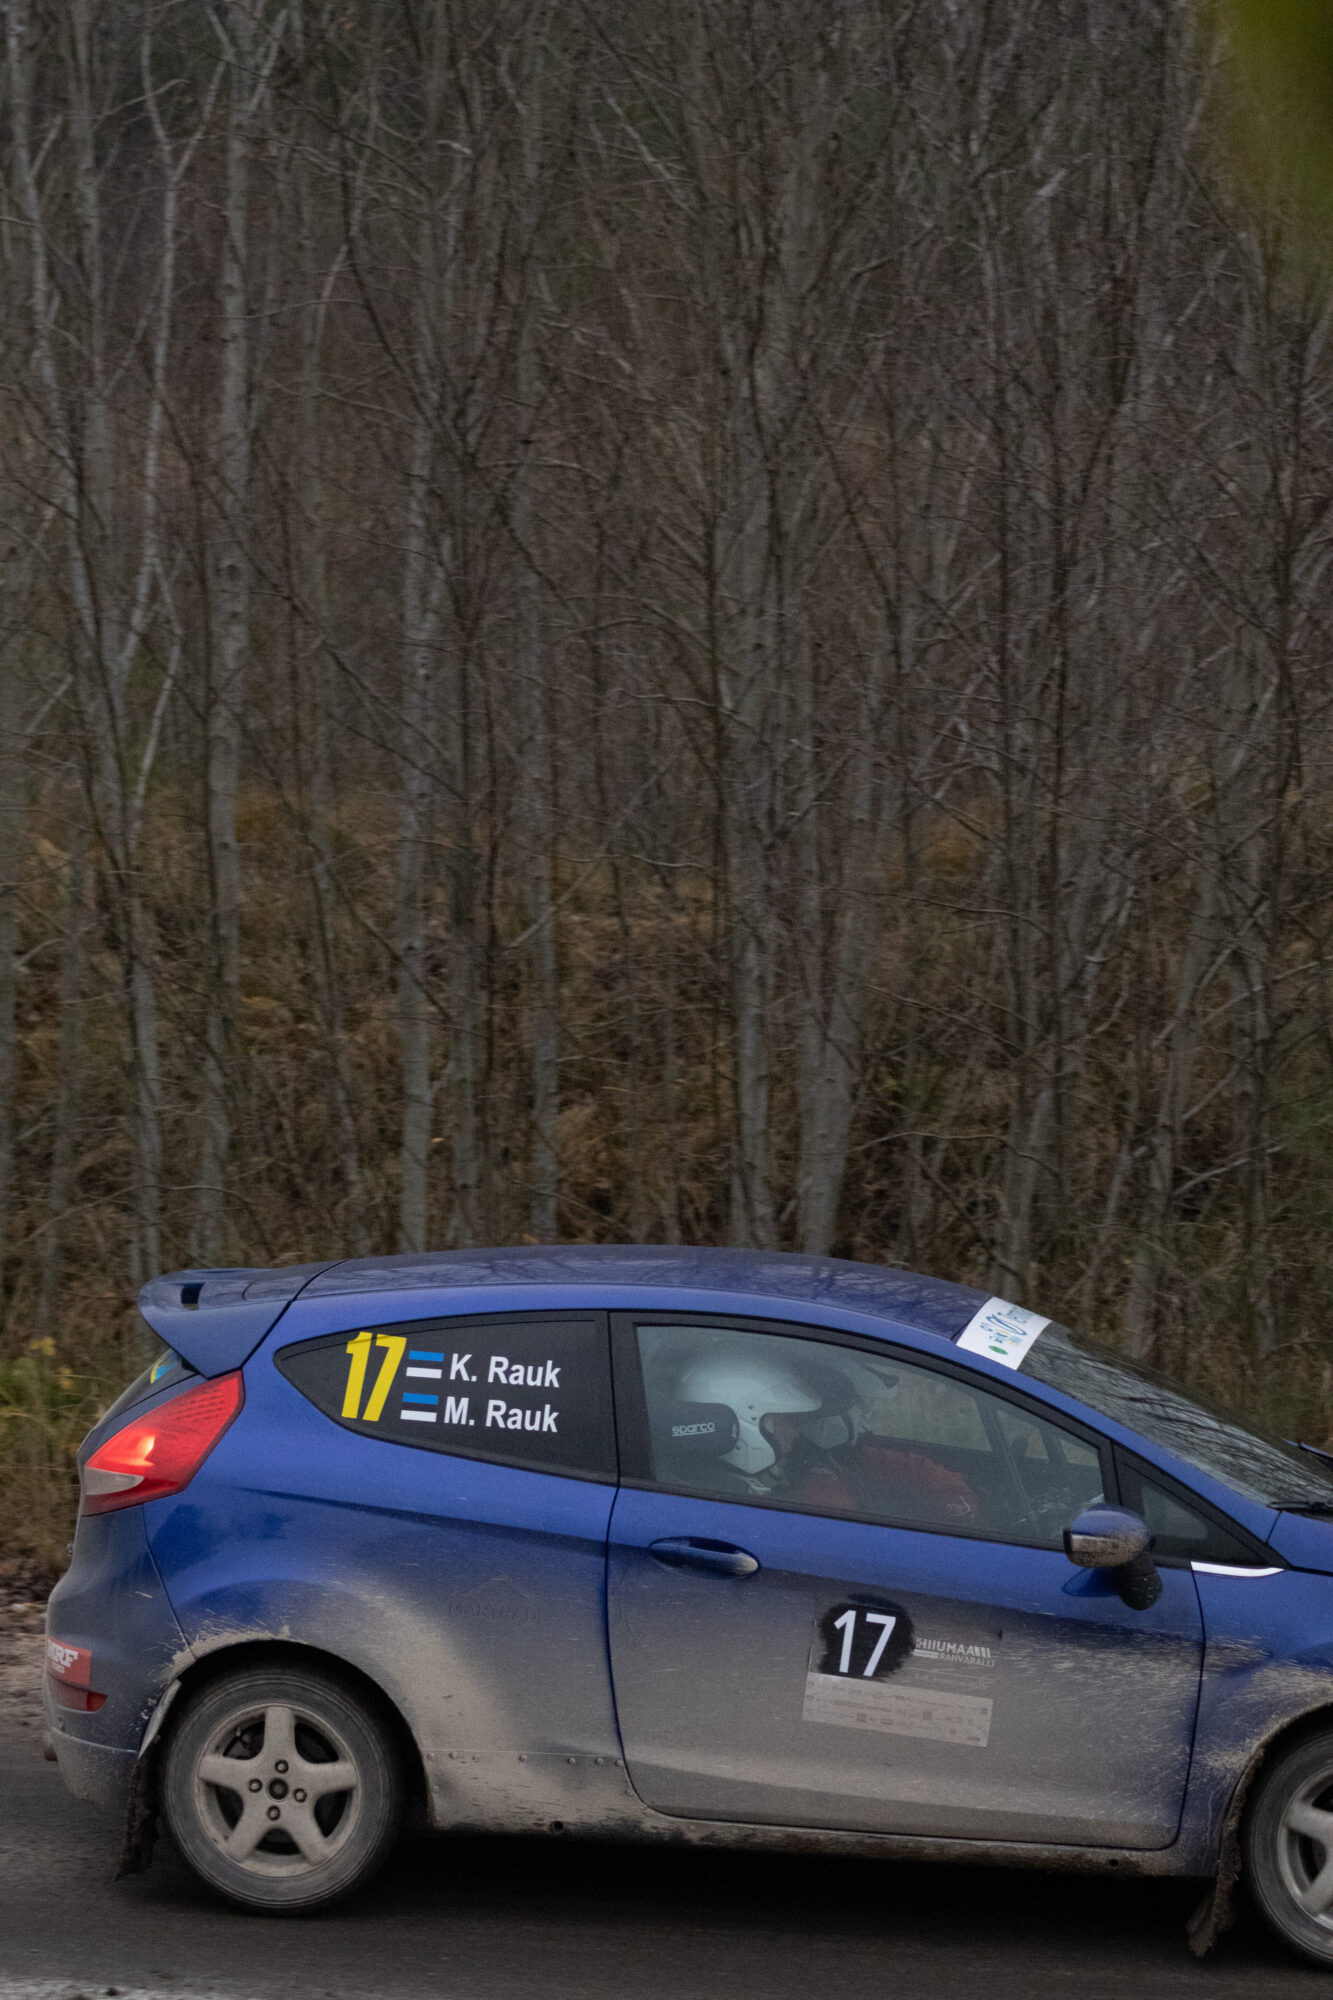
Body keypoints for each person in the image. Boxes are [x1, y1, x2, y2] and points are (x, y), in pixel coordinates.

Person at [673, 1344, 980, 1528]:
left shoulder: (793, 1467)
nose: (796, 1432)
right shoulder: (740, 1506)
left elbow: (901, 1467)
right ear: (744, 1423)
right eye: (785, 1422)